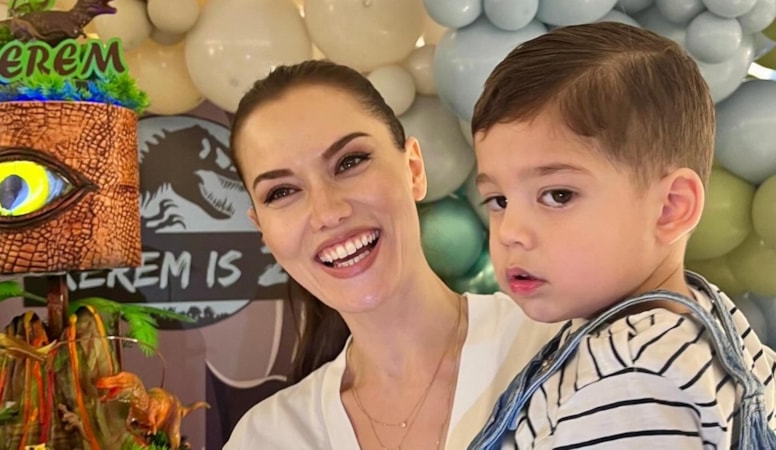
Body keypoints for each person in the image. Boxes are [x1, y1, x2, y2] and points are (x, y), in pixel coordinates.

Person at [221, 60, 562, 449]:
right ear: (262, 229)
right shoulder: (266, 438)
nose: (328, 212)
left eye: (349, 162)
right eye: (281, 192)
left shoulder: (557, 350)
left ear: (413, 168)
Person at [467, 22, 776, 449]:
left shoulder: (636, 384)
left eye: (558, 195)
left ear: (670, 208)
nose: (511, 233)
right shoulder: (703, 322)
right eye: (499, 200)